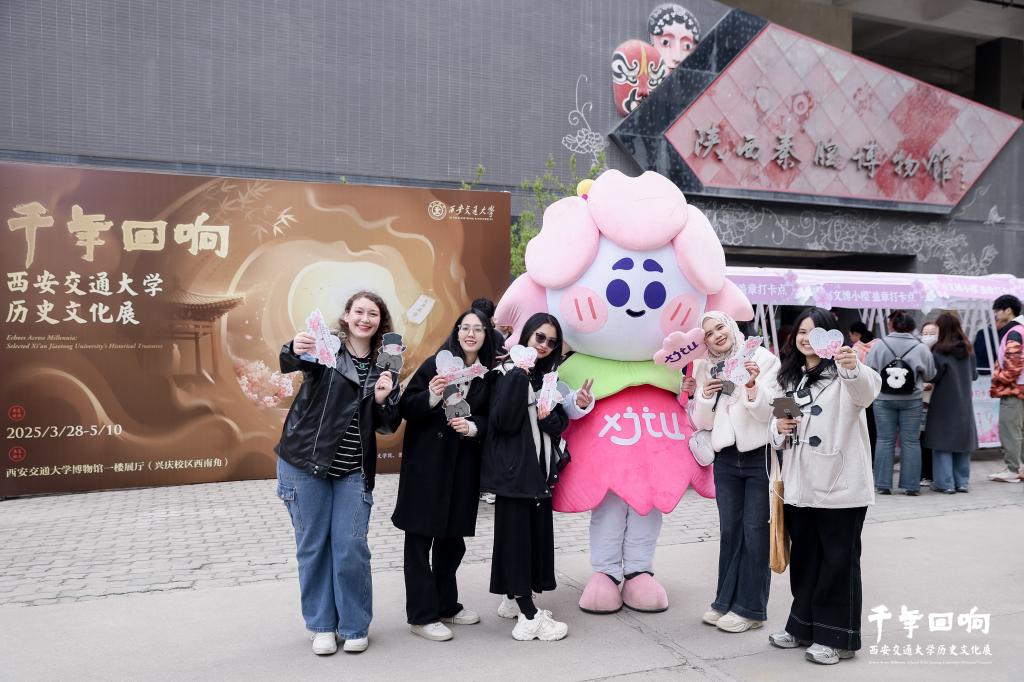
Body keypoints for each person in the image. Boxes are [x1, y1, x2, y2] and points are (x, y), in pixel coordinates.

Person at [275, 291, 401, 656]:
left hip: (353, 469)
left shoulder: (387, 364)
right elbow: (290, 360)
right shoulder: (326, 347)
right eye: (358, 311)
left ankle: (354, 625)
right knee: (313, 547)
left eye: (373, 314)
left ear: (381, 322)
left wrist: (382, 399)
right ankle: (322, 626)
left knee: (350, 547)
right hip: (304, 462)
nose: (365, 318)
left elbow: (387, 425)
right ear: (346, 316)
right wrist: (295, 346)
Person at [768, 307, 881, 665]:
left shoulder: (848, 373)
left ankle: (838, 638)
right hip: (799, 485)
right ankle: (802, 627)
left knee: (838, 561)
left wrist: (851, 366)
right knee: (805, 558)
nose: (806, 339)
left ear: (831, 337)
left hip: (840, 486)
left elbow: (866, 393)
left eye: (814, 332)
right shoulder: (789, 377)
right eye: (801, 332)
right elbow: (778, 423)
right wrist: (778, 430)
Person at [392, 309, 496, 641]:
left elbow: (494, 418)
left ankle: (446, 605)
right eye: (465, 327)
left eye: (478, 329)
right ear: (456, 332)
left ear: (486, 335)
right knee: (419, 541)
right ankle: (421, 616)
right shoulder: (434, 366)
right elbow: (406, 407)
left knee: (452, 542)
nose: (471, 334)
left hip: (462, 468)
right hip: (427, 466)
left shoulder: (487, 375)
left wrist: (474, 427)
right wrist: (433, 395)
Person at [481, 312, 571, 641]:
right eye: (539, 337)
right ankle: (529, 616)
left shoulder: (546, 378)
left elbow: (559, 425)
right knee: (517, 540)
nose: (544, 345)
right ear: (526, 336)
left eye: (551, 341)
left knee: (529, 538)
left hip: (538, 474)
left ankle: (513, 600)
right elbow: (503, 422)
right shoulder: (507, 373)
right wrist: (519, 376)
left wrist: (547, 417)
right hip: (515, 474)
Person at [689, 312, 780, 634]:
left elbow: (772, 411)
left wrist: (752, 385)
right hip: (725, 457)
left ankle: (751, 609)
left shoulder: (762, 358)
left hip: (758, 455)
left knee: (755, 531)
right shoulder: (703, 367)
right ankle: (724, 601)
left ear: (731, 326)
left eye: (720, 327)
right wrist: (704, 396)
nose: (716, 335)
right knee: (730, 531)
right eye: (708, 333)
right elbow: (701, 422)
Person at [866, 310, 935, 496]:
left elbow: (869, 370)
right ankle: (911, 486)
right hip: (912, 399)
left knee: (884, 440)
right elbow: (930, 374)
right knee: (911, 441)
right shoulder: (921, 347)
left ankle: (882, 485)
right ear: (912, 326)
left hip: (883, 399)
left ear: (891, 325)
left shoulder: (879, 345)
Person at [923, 314, 977, 494]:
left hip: (943, 401)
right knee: (962, 442)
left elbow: (933, 376)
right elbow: (974, 375)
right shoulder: (968, 349)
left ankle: (945, 483)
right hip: (964, 402)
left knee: (941, 442)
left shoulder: (938, 350)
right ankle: (962, 482)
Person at [988, 294, 1024, 483]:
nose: (996, 315)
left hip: (1013, 389)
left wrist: (998, 379)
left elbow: (1013, 366)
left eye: (997, 310)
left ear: (1008, 310)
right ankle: (1020, 467)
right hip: (1021, 387)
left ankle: (1012, 469)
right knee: (1019, 430)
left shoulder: (1014, 332)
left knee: (1009, 429)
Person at [849, 321, 879, 462]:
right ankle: (874, 457)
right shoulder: (878, 344)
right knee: (876, 429)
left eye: (850, 335)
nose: (850, 338)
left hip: (861, 392)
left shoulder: (855, 349)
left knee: (864, 427)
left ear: (856, 334)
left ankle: (867, 459)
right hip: (877, 390)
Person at [918, 321, 939, 487]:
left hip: (936, 403)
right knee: (921, 438)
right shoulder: (919, 351)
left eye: (931, 333)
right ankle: (924, 473)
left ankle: (930, 474)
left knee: (930, 439)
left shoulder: (940, 353)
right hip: (921, 402)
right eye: (925, 333)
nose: (927, 336)